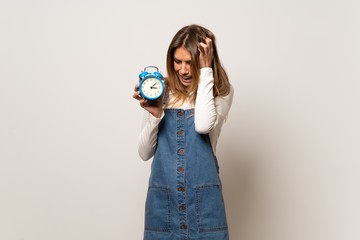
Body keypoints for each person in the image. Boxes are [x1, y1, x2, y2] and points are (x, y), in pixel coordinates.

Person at [133, 24, 234, 240]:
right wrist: (155, 114)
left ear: (205, 60)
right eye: (177, 61)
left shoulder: (220, 91)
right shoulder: (160, 89)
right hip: (164, 203)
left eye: (191, 62)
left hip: (204, 204)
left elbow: (203, 126)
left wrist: (206, 72)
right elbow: (144, 152)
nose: (183, 70)